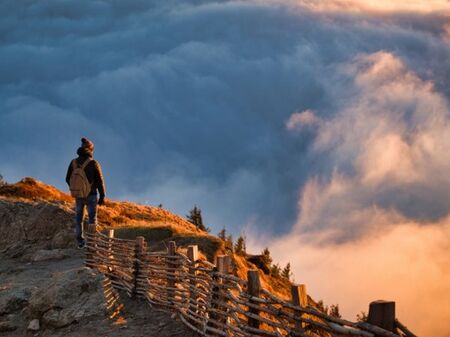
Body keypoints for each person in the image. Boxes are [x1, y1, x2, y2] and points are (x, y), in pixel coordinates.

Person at [66, 138, 106, 248]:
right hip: (91, 195)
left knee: (79, 219)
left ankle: (80, 242)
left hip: (78, 196)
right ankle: (92, 242)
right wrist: (102, 196)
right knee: (92, 219)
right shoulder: (93, 163)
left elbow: (67, 178)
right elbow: (100, 181)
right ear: (90, 150)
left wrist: (75, 188)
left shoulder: (73, 162)